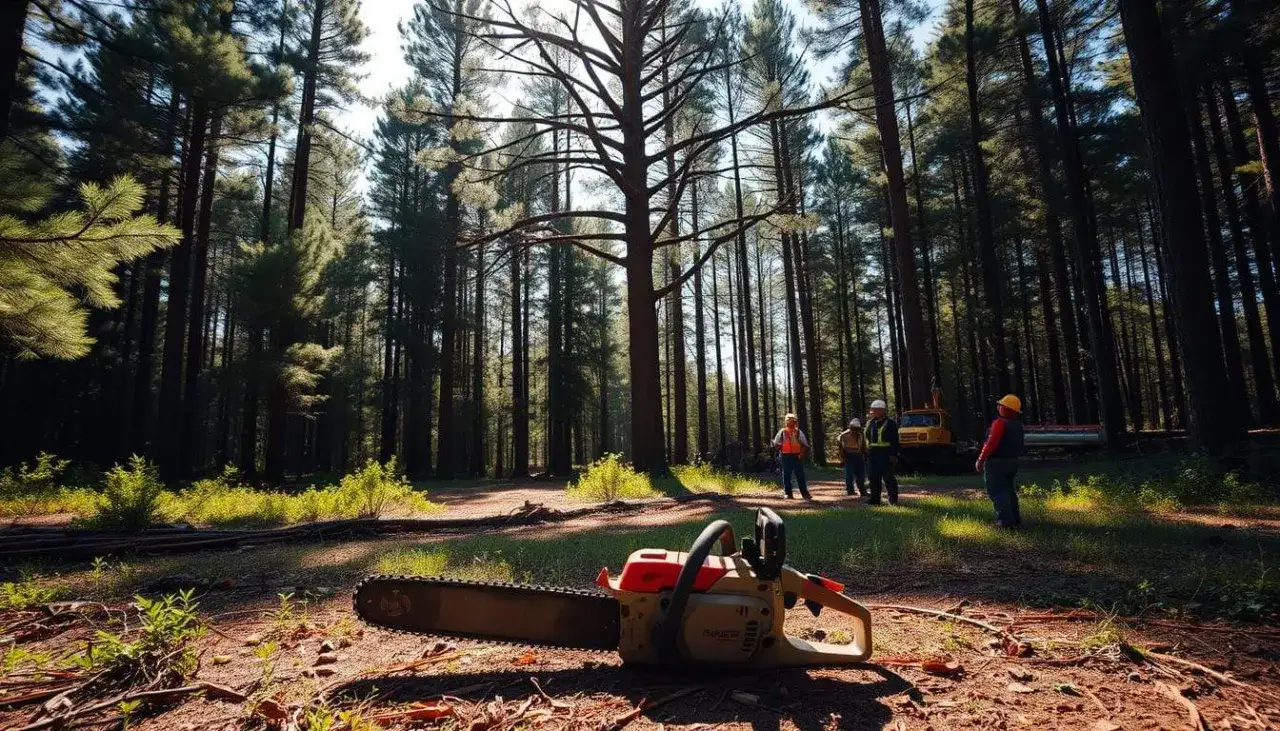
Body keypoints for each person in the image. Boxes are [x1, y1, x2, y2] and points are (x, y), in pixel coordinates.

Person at [976, 394, 1026, 528]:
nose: (998, 407)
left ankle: (1004, 522)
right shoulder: (1017, 425)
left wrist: (981, 460)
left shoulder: (999, 423)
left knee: (997, 491)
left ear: (1005, 409)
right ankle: (1015, 520)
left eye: (1000, 405)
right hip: (1012, 462)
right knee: (1009, 491)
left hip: (996, 463)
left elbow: (990, 444)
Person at [865, 399, 900, 505]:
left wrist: (893, 454)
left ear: (882, 410)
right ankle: (874, 500)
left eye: (875, 409)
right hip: (873, 454)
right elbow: (867, 437)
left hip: (885, 454)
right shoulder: (870, 422)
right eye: (873, 409)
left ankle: (893, 500)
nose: (873, 411)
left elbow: (895, 440)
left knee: (888, 478)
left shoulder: (891, 423)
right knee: (873, 477)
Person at [771, 413, 812, 500]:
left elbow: (805, 445)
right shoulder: (782, 432)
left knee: (800, 475)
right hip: (785, 456)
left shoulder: (798, 432)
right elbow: (776, 445)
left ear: (795, 422)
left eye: (792, 420)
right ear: (786, 422)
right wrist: (776, 445)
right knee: (786, 475)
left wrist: (801, 454)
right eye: (788, 420)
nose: (790, 422)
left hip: (797, 456)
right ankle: (788, 494)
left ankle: (805, 493)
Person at [837, 419, 867, 497]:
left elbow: (863, 446)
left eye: (856, 429)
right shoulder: (843, 435)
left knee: (860, 475)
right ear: (850, 427)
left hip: (859, 455)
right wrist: (842, 459)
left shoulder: (861, 434)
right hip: (849, 456)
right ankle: (850, 491)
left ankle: (863, 491)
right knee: (849, 475)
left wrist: (866, 454)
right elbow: (840, 448)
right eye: (853, 429)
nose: (855, 431)